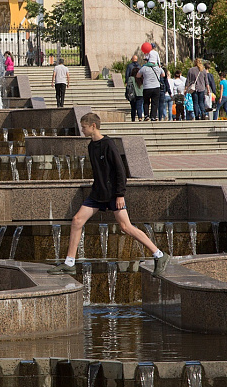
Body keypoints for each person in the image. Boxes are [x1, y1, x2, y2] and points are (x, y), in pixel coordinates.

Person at [49, 113, 169, 276]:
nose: (82, 130)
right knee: (77, 220)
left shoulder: (109, 144)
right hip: (98, 193)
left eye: (84, 127)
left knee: (126, 227)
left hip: (113, 194)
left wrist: (120, 195)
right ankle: (69, 262)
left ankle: (159, 255)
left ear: (93, 126)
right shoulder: (91, 146)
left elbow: (120, 171)